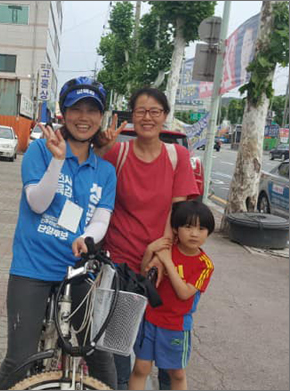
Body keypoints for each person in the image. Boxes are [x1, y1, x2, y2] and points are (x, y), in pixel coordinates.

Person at [0, 76, 126, 390]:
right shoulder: (40, 150)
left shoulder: (104, 170)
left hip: (77, 270)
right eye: (76, 108)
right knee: (19, 358)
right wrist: (57, 160)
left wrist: (88, 239)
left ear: (101, 117)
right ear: (63, 113)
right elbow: (37, 204)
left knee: (96, 354)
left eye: (92, 110)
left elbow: (101, 218)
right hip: (32, 267)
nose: (84, 117)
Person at [95, 87, 200, 390]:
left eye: (155, 111)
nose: (147, 117)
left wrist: (160, 255)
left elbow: (177, 212)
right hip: (122, 265)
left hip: (164, 269)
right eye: (141, 111)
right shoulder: (119, 153)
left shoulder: (176, 155)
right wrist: (102, 147)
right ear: (132, 117)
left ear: (165, 117)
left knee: (166, 350)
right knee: (118, 344)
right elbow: (94, 181)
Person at [129, 200, 215, 390]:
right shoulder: (166, 248)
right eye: (188, 227)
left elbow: (184, 293)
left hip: (176, 326)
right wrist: (150, 251)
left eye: (201, 228)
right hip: (150, 319)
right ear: (176, 229)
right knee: (140, 368)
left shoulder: (204, 265)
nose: (194, 233)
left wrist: (168, 263)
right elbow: (145, 276)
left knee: (176, 373)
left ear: (209, 232)